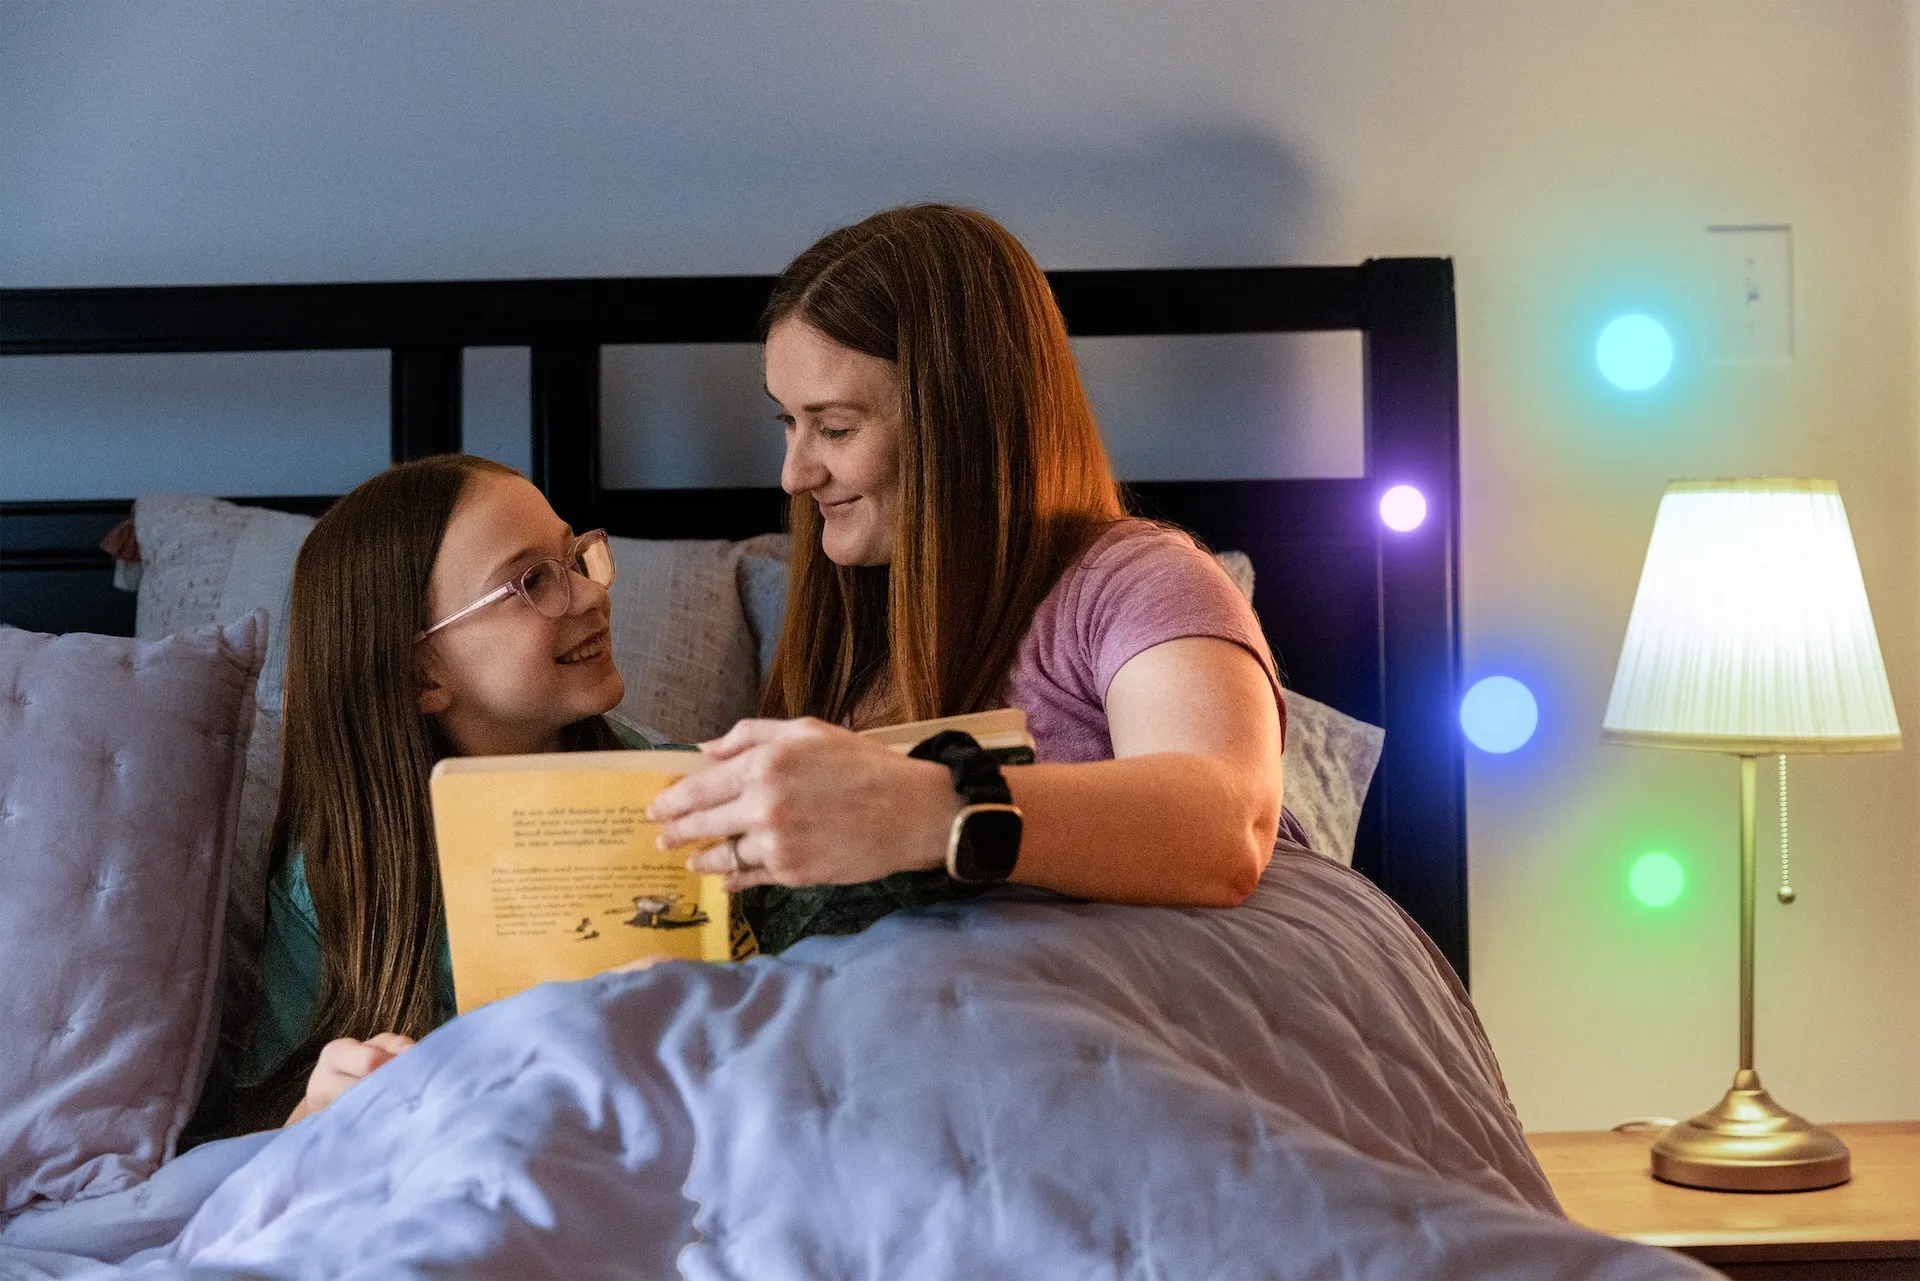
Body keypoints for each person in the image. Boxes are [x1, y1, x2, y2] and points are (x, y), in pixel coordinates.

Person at [648, 204, 1294, 954]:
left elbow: (1227, 825)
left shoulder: (1136, 581)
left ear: (957, 423)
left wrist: (926, 807)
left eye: (834, 428)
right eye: (787, 424)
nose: (795, 473)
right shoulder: (855, 628)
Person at [238, 454, 645, 1127]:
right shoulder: (335, 878)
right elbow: (271, 1126)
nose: (590, 594)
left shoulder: (691, 786)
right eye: (532, 580)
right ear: (423, 674)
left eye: (576, 558)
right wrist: (319, 1108)